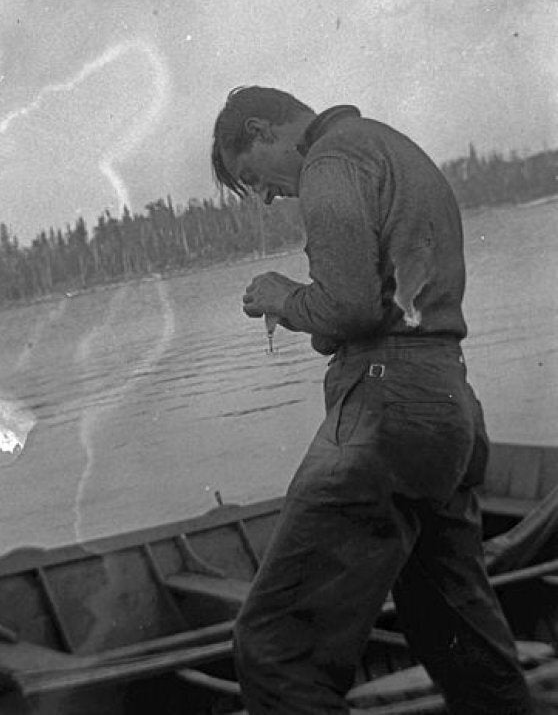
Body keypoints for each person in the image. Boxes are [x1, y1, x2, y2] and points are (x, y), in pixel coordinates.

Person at [210, 85, 534, 715]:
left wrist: (281, 294)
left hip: (384, 412)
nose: (273, 195)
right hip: (448, 402)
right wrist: (325, 319)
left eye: (257, 177)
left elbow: (350, 307)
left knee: (275, 645)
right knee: (455, 627)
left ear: (262, 129)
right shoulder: (391, 147)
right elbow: (378, 299)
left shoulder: (329, 161)